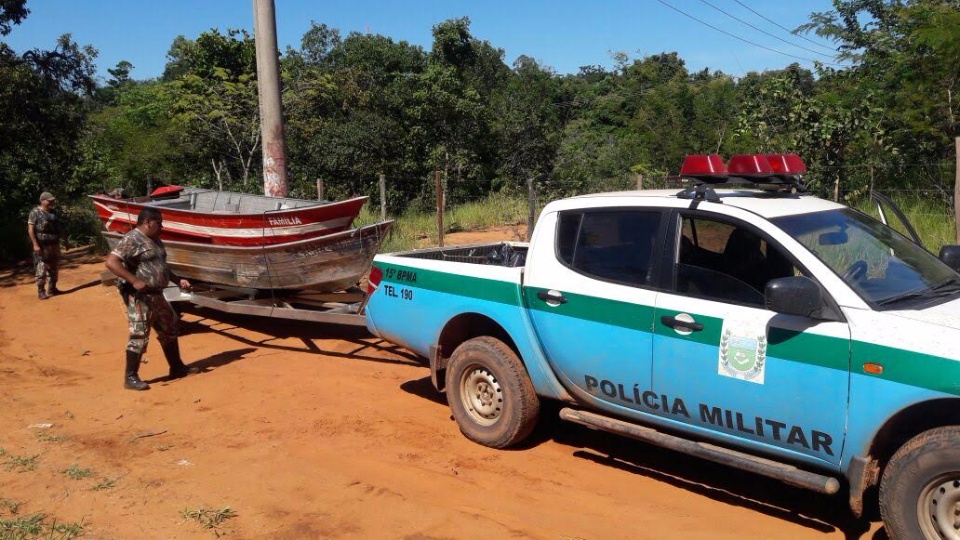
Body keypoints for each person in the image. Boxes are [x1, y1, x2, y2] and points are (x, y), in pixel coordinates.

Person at [104, 207, 198, 390]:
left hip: (157, 294)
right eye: (159, 223)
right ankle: (130, 377)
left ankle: (176, 367)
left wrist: (178, 280)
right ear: (148, 222)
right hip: (140, 297)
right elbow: (111, 262)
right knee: (139, 334)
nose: (162, 226)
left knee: (169, 326)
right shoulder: (132, 239)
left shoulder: (155, 240)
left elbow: (161, 266)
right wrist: (134, 280)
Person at [27, 191, 62, 300]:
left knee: (54, 266)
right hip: (42, 245)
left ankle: (52, 288)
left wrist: (65, 241)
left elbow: (60, 228)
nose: (52, 202)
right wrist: (35, 244)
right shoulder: (35, 212)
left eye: (53, 200)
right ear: (42, 201)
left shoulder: (54, 212)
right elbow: (31, 229)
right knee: (41, 266)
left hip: (54, 243)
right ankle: (41, 290)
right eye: (49, 200)